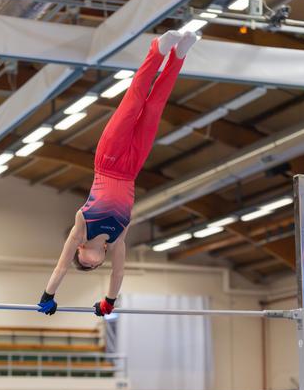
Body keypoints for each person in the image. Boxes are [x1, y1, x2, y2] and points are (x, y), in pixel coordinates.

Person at [37, 30, 197, 317]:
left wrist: (48, 295)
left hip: (108, 160)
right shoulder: (118, 238)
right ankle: (179, 55)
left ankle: (157, 50)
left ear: (80, 248)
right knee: (154, 108)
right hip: (132, 169)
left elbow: (61, 266)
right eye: (93, 268)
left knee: (134, 101)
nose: (91, 264)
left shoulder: (81, 228)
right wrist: (108, 302)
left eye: (83, 263)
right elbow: (119, 274)